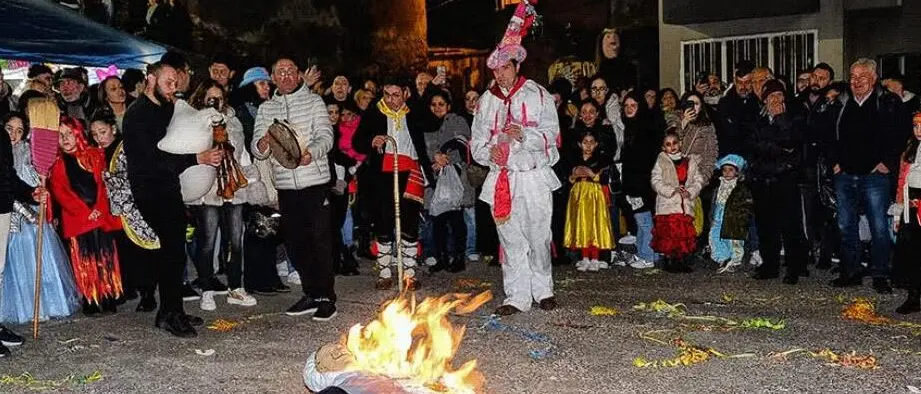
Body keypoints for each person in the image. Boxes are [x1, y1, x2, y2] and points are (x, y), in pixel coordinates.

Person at [471, 0, 561, 315]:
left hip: (534, 177)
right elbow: (477, 142)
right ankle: (516, 296)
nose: (501, 74)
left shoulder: (538, 94)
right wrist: (489, 152)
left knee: (539, 236)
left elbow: (553, 136)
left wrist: (524, 136)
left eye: (505, 68)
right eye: (496, 69)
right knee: (510, 239)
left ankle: (543, 289)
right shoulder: (486, 101)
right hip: (503, 179)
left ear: (517, 66)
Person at [122, 61, 223, 337]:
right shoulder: (137, 115)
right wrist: (197, 158)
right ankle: (170, 314)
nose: (173, 88)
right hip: (149, 189)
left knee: (175, 251)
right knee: (172, 251)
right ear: (151, 80)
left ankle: (171, 309)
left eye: (175, 83)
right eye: (168, 82)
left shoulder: (167, 108)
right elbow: (154, 160)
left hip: (169, 187)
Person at [252, 57, 337, 320]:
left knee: (320, 240)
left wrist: (312, 153)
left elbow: (326, 136)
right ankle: (311, 293)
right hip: (286, 186)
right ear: (273, 78)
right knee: (295, 242)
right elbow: (257, 148)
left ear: (299, 75)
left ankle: (326, 297)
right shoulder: (266, 108)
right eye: (281, 72)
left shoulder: (314, 101)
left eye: (291, 71)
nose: (286, 75)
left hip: (315, 182)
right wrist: (263, 144)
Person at [824, 58, 905, 294]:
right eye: (853, 77)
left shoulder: (888, 102)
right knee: (845, 225)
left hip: (874, 177)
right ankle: (851, 271)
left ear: (874, 78)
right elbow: (826, 134)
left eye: (862, 77)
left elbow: (900, 135)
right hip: (845, 175)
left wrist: (886, 163)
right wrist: (834, 163)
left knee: (879, 226)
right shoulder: (840, 103)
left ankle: (880, 274)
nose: (856, 81)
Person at [352, 76, 434, 291]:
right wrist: (372, 141)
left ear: (405, 93)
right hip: (382, 174)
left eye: (396, 95)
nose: (390, 100)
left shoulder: (414, 110)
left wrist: (427, 92)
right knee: (383, 222)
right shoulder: (374, 112)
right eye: (387, 95)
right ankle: (385, 273)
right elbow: (357, 142)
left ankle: (410, 273)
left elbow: (433, 122)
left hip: (411, 172)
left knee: (410, 223)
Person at [0, 113, 78, 324]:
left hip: (30, 220)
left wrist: (35, 193)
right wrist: (26, 212)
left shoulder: (30, 153)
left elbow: (20, 184)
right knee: (14, 267)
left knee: (37, 264)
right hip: (14, 217)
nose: (13, 135)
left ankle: (45, 305)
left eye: (19, 131)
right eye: (9, 129)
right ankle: (20, 308)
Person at [188, 80, 258, 311]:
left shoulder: (233, 120)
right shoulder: (194, 121)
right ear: (202, 98)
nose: (215, 102)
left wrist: (252, 179)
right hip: (207, 188)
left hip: (234, 186)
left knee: (236, 240)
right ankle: (207, 289)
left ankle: (236, 287)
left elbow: (243, 152)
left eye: (219, 98)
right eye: (211, 97)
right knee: (207, 241)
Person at [48, 116, 123, 315]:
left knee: (105, 256)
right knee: (84, 259)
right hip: (78, 220)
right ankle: (91, 298)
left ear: (78, 134)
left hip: (101, 216)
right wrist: (85, 213)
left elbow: (104, 185)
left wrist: (99, 208)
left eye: (69, 133)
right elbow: (61, 193)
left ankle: (108, 295)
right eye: (60, 135)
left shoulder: (95, 155)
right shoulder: (56, 164)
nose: (65, 139)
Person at [90, 113, 159, 312]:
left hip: (134, 210)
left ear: (113, 128)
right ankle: (127, 288)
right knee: (122, 252)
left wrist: (106, 177)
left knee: (141, 251)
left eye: (102, 132)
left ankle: (147, 294)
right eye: (94, 134)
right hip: (113, 212)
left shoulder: (127, 147)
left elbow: (134, 178)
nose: (99, 138)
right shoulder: (96, 152)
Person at [745, 80, 809, 284]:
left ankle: (794, 267)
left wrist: (780, 120)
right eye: (771, 96)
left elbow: (792, 144)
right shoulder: (757, 119)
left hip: (785, 179)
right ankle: (769, 265)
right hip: (762, 180)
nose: (776, 100)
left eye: (779, 95)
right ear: (764, 100)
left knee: (790, 226)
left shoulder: (794, 118)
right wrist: (775, 147)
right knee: (766, 226)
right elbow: (753, 146)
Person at [424, 91, 473, 274]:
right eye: (434, 104)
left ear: (449, 106)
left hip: (455, 176)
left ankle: (459, 257)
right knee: (437, 220)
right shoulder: (425, 124)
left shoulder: (457, 121)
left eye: (441, 104)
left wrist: (446, 159)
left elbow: (464, 144)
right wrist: (433, 160)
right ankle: (441, 257)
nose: (437, 108)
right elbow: (423, 148)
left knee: (456, 219)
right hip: (434, 178)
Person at [651, 131, 703, 273]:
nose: (672, 146)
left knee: (682, 234)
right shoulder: (661, 161)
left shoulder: (690, 161)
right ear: (663, 147)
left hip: (684, 204)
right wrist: (671, 190)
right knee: (670, 234)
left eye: (674, 143)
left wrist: (690, 191)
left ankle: (681, 260)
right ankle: (670, 260)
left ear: (680, 143)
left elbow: (698, 180)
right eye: (668, 144)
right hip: (668, 204)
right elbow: (656, 181)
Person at [620, 92, 662, 269]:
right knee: (641, 220)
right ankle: (645, 252)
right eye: (626, 106)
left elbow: (645, 159)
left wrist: (639, 186)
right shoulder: (630, 127)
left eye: (633, 105)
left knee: (644, 220)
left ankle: (648, 255)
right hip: (634, 183)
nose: (629, 109)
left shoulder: (645, 128)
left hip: (642, 183)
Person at [563, 130, 613, 272]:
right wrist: (574, 176)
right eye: (585, 142)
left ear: (596, 144)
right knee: (581, 224)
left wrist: (592, 174)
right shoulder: (574, 159)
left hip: (594, 195)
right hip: (578, 195)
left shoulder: (601, 160)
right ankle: (584, 257)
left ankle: (596, 258)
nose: (588, 145)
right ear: (580, 144)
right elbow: (569, 179)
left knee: (594, 224)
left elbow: (604, 178)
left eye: (591, 142)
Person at [891, 112, 921, 314]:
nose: (918, 130)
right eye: (915, 126)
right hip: (912, 206)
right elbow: (902, 181)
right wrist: (898, 212)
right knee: (912, 252)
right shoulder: (909, 151)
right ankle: (914, 296)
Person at [708, 154, 753, 273]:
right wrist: (712, 216)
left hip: (734, 217)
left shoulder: (740, 187)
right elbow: (714, 202)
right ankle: (723, 257)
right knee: (716, 236)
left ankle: (736, 261)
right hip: (719, 216)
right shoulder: (719, 186)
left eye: (730, 170)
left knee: (734, 240)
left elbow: (746, 204)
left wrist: (742, 217)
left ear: (737, 172)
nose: (727, 172)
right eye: (724, 170)